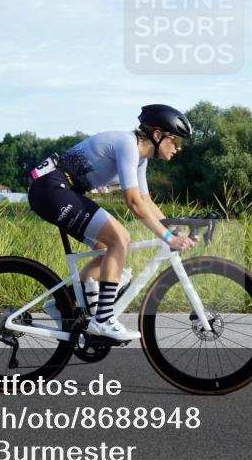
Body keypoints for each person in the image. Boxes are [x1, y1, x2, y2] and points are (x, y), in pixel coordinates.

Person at [26, 104, 196, 341]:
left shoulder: (139, 160)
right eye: (175, 140)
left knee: (107, 250)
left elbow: (146, 201)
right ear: (157, 135)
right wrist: (167, 238)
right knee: (120, 239)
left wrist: (175, 231)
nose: (178, 148)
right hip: (52, 189)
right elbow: (133, 203)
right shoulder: (128, 145)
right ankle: (103, 320)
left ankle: (63, 303)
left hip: (62, 191)